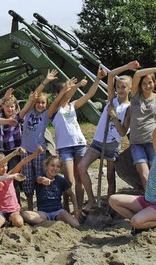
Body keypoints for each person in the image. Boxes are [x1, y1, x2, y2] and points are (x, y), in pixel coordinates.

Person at [75, 61, 138, 209]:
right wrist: (127, 67)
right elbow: (111, 75)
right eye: (118, 87)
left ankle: (111, 205)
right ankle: (91, 200)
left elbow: (122, 132)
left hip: (112, 144)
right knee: (81, 167)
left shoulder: (129, 109)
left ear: (129, 89)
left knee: (110, 177)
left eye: (123, 87)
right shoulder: (112, 99)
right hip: (97, 141)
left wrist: (114, 116)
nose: (120, 89)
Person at [51, 69, 104, 211]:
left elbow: (89, 94)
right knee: (69, 180)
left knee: (79, 178)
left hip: (79, 144)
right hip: (64, 147)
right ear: (58, 94)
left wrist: (97, 79)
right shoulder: (54, 109)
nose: (68, 94)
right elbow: (62, 98)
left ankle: (79, 208)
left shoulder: (73, 105)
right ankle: (66, 206)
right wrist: (75, 86)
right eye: (65, 91)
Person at [18, 70, 61, 210]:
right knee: (28, 181)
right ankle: (30, 207)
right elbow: (33, 97)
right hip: (26, 151)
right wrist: (45, 81)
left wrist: (64, 91)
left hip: (39, 152)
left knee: (40, 178)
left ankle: (41, 205)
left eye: (43, 103)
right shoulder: (28, 112)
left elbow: (55, 104)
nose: (40, 104)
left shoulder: (45, 116)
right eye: (38, 102)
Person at [0, 147, 43, 234]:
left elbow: (22, 162)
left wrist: (36, 153)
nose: (5, 168)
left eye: (6, 165)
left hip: (13, 210)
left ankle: (13, 219)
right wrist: (14, 153)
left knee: (19, 223)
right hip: (1, 211)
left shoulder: (10, 175)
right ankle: (5, 221)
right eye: (2, 166)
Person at [22, 156, 82, 227]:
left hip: (58, 211)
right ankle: (47, 222)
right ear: (46, 166)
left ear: (60, 169)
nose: (55, 168)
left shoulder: (61, 180)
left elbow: (72, 195)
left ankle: (46, 223)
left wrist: (76, 209)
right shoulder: (40, 176)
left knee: (76, 224)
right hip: (43, 212)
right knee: (24, 214)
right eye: (52, 165)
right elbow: (39, 179)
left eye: (58, 166)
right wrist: (43, 180)